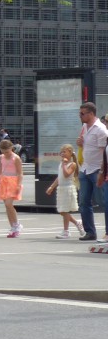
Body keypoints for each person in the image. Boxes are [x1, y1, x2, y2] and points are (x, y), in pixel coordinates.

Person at [76, 101, 107, 241]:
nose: (80, 116)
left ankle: (107, 232)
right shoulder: (84, 126)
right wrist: (80, 143)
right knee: (84, 202)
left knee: (103, 201)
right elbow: (84, 144)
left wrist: (102, 171)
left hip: (96, 169)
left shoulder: (100, 129)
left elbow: (103, 153)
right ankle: (90, 232)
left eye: (82, 113)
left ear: (91, 113)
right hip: (85, 168)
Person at [46, 143, 82, 239]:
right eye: (61, 152)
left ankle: (66, 231)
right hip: (61, 188)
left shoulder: (72, 164)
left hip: (68, 188)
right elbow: (59, 177)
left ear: (70, 153)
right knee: (61, 210)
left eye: (64, 152)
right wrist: (52, 187)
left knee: (64, 210)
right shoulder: (62, 164)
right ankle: (77, 223)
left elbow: (66, 174)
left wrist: (65, 164)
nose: (62, 154)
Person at [0, 137, 25, 237]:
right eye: (4, 152)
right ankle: (13, 226)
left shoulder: (16, 158)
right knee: (7, 205)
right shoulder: (1, 157)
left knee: (9, 204)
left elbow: (20, 173)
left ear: (11, 148)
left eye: (7, 152)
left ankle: (17, 224)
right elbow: (0, 170)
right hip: (3, 181)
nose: (6, 154)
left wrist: (18, 185)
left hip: (13, 181)